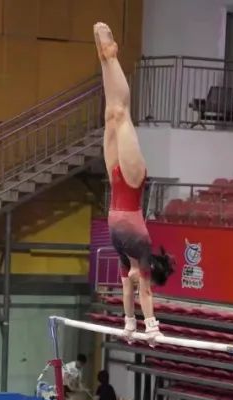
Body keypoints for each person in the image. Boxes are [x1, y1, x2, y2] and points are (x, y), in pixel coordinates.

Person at [93, 21, 175, 343]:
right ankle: (112, 56)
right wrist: (151, 327)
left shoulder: (124, 258)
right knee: (122, 114)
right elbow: (144, 293)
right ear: (149, 270)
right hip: (131, 182)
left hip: (117, 187)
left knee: (110, 115)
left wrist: (129, 324)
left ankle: (104, 59)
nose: (138, 279)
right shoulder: (141, 251)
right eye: (145, 278)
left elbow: (127, 289)